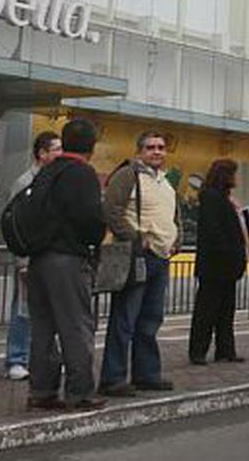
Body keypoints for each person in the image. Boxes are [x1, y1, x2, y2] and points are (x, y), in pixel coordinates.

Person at [26, 118, 107, 411]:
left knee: (43, 327)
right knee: (75, 326)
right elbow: (91, 218)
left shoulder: (47, 172)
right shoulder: (82, 173)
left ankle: (42, 389)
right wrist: (94, 240)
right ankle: (80, 390)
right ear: (92, 146)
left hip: (38, 258)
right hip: (68, 258)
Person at [99, 130, 181, 396]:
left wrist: (176, 238)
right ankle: (113, 378)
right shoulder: (128, 175)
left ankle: (147, 374)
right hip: (136, 256)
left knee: (150, 319)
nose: (157, 151)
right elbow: (111, 210)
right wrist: (135, 237)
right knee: (125, 318)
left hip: (161, 256)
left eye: (160, 147)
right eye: (150, 147)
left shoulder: (165, 182)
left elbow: (173, 215)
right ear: (139, 151)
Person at [2, 131, 62, 381]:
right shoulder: (25, 182)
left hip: (51, 256)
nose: (60, 154)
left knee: (52, 311)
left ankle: (45, 358)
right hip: (29, 257)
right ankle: (16, 358)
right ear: (42, 153)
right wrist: (22, 261)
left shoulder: (57, 180)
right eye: (56, 149)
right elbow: (17, 223)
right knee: (23, 310)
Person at [188, 159, 249, 364]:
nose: (235, 179)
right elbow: (213, 230)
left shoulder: (224, 198)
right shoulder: (211, 197)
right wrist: (229, 250)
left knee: (226, 309)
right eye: (232, 174)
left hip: (226, 264)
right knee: (207, 310)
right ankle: (198, 350)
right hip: (215, 263)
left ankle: (225, 349)